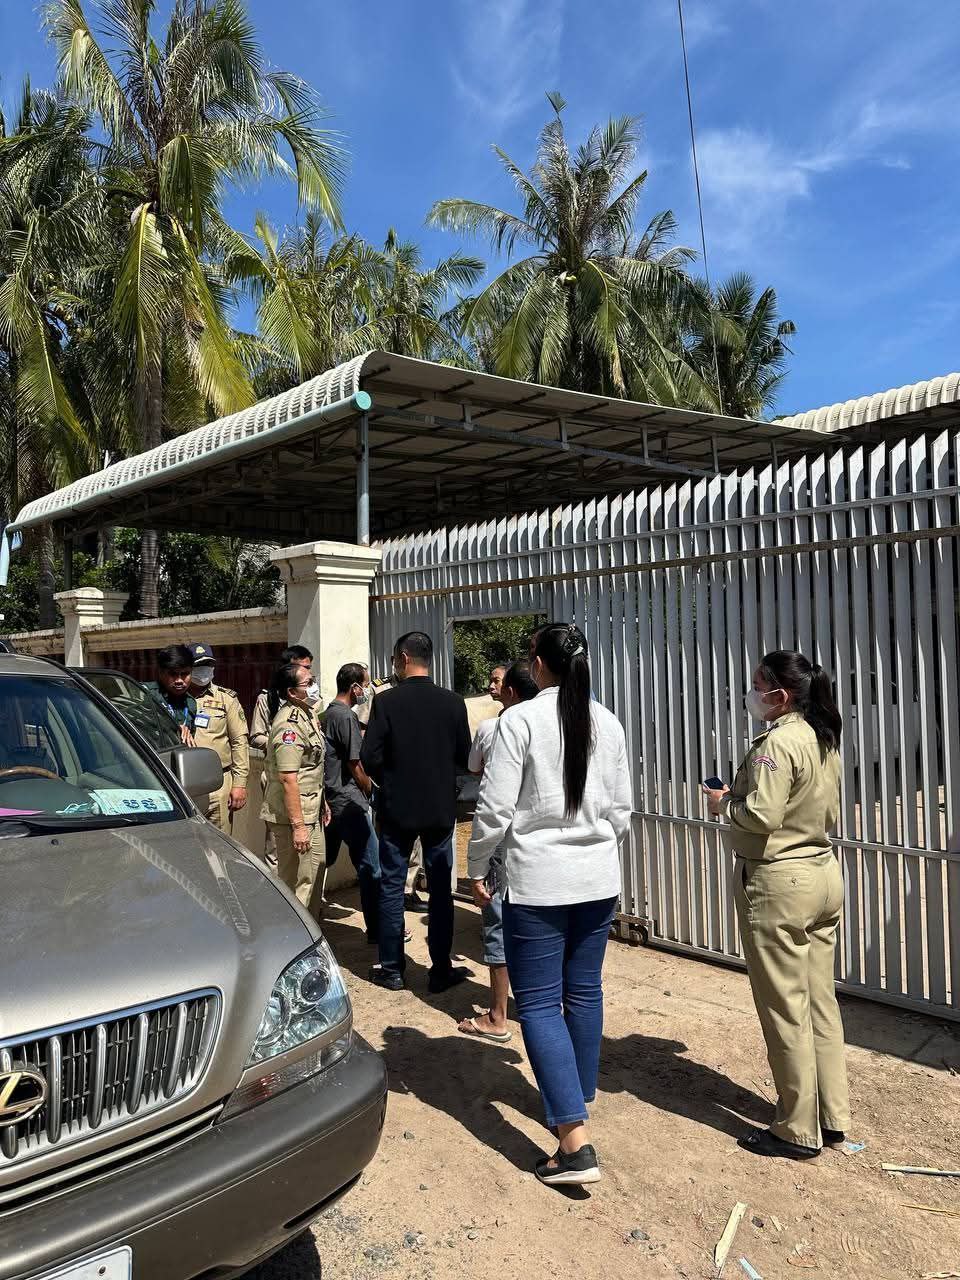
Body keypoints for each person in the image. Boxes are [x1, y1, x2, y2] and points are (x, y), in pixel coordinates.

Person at [468, 622, 632, 1187]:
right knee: (583, 990)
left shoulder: (519, 722)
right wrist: (593, 849)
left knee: (538, 1003)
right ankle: (576, 1092)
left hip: (539, 881)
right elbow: (621, 811)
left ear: (537, 663)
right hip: (597, 879)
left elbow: (494, 810)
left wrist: (477, 866)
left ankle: (574, 1142)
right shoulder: (607, 721)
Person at [704, 650, 849, 1161]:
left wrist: (725, 804)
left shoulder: (778, 742)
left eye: (756, 686)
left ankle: (795, 1129)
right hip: (821, 874)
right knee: (819, 1002)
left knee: (785, 1009)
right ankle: (831, 1115)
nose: (751, 695)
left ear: (780, 696)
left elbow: (762, 816)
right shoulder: (822, 736)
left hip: (780, 882)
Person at [360, 631, 472, 993]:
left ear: (404, 659)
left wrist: (392, 780)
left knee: (392, 887)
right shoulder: (453, 703)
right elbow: (464, 758)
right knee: (440, 889)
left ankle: (392, 968)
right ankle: (440, 969)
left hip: (397, 809)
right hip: (440, 808)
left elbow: (369, 757)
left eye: (395, 659)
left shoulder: (386, 702)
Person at [458, 659, 539, 1045]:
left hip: (502, 843)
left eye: (498, 682)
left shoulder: (496, 728)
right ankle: (535, 1003)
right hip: (537, 845)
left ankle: (497, 1015)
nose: (493, 687)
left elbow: (486, 794)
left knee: (498, 923)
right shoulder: (560, 727)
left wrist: (475, 866)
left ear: (510, 691)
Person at [260, 661, 330, 911]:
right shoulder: (289, 725)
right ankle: (298, 930)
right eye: (308, 683)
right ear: (291, 692)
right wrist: (298, 827)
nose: (314, 687)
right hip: (294, 816)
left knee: (316, 868)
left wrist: (323, 802)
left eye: (313, 681)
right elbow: (288, 778)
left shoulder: (306, 713)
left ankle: (311, 926)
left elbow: (312, 768)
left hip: (311, 808)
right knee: (299, 882)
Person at [323, 663, 382, 942]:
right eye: (365, 685)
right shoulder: (345, 716)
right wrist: (370, 791)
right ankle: (379, 929)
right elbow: (355, 764)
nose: (366, 691)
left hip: (331, 800)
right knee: (372, 867)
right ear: (355, 687)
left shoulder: (328, 713)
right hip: (349, 802)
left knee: (324, 861)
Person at [186, 643, 249, 833]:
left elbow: (239, 742)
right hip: (184, 783)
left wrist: (239, 784)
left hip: (218, 784)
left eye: (208, 665)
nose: (204, 670)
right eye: (198, 665)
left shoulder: (226, 699)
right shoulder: (176, 697)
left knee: (220, 841)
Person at [249, 645, 314, 751]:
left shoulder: (313, 696)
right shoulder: (268, 698)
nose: (306, 672)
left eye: (308, 668)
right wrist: (283, 743)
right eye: (300, 668)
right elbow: (256, 737)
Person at [144, 644, 197, 744]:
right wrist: (171, 728)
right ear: (161, 673)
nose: (179, 680)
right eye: (173, 674)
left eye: (185, 674)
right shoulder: (144, 693)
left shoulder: (190, 704)